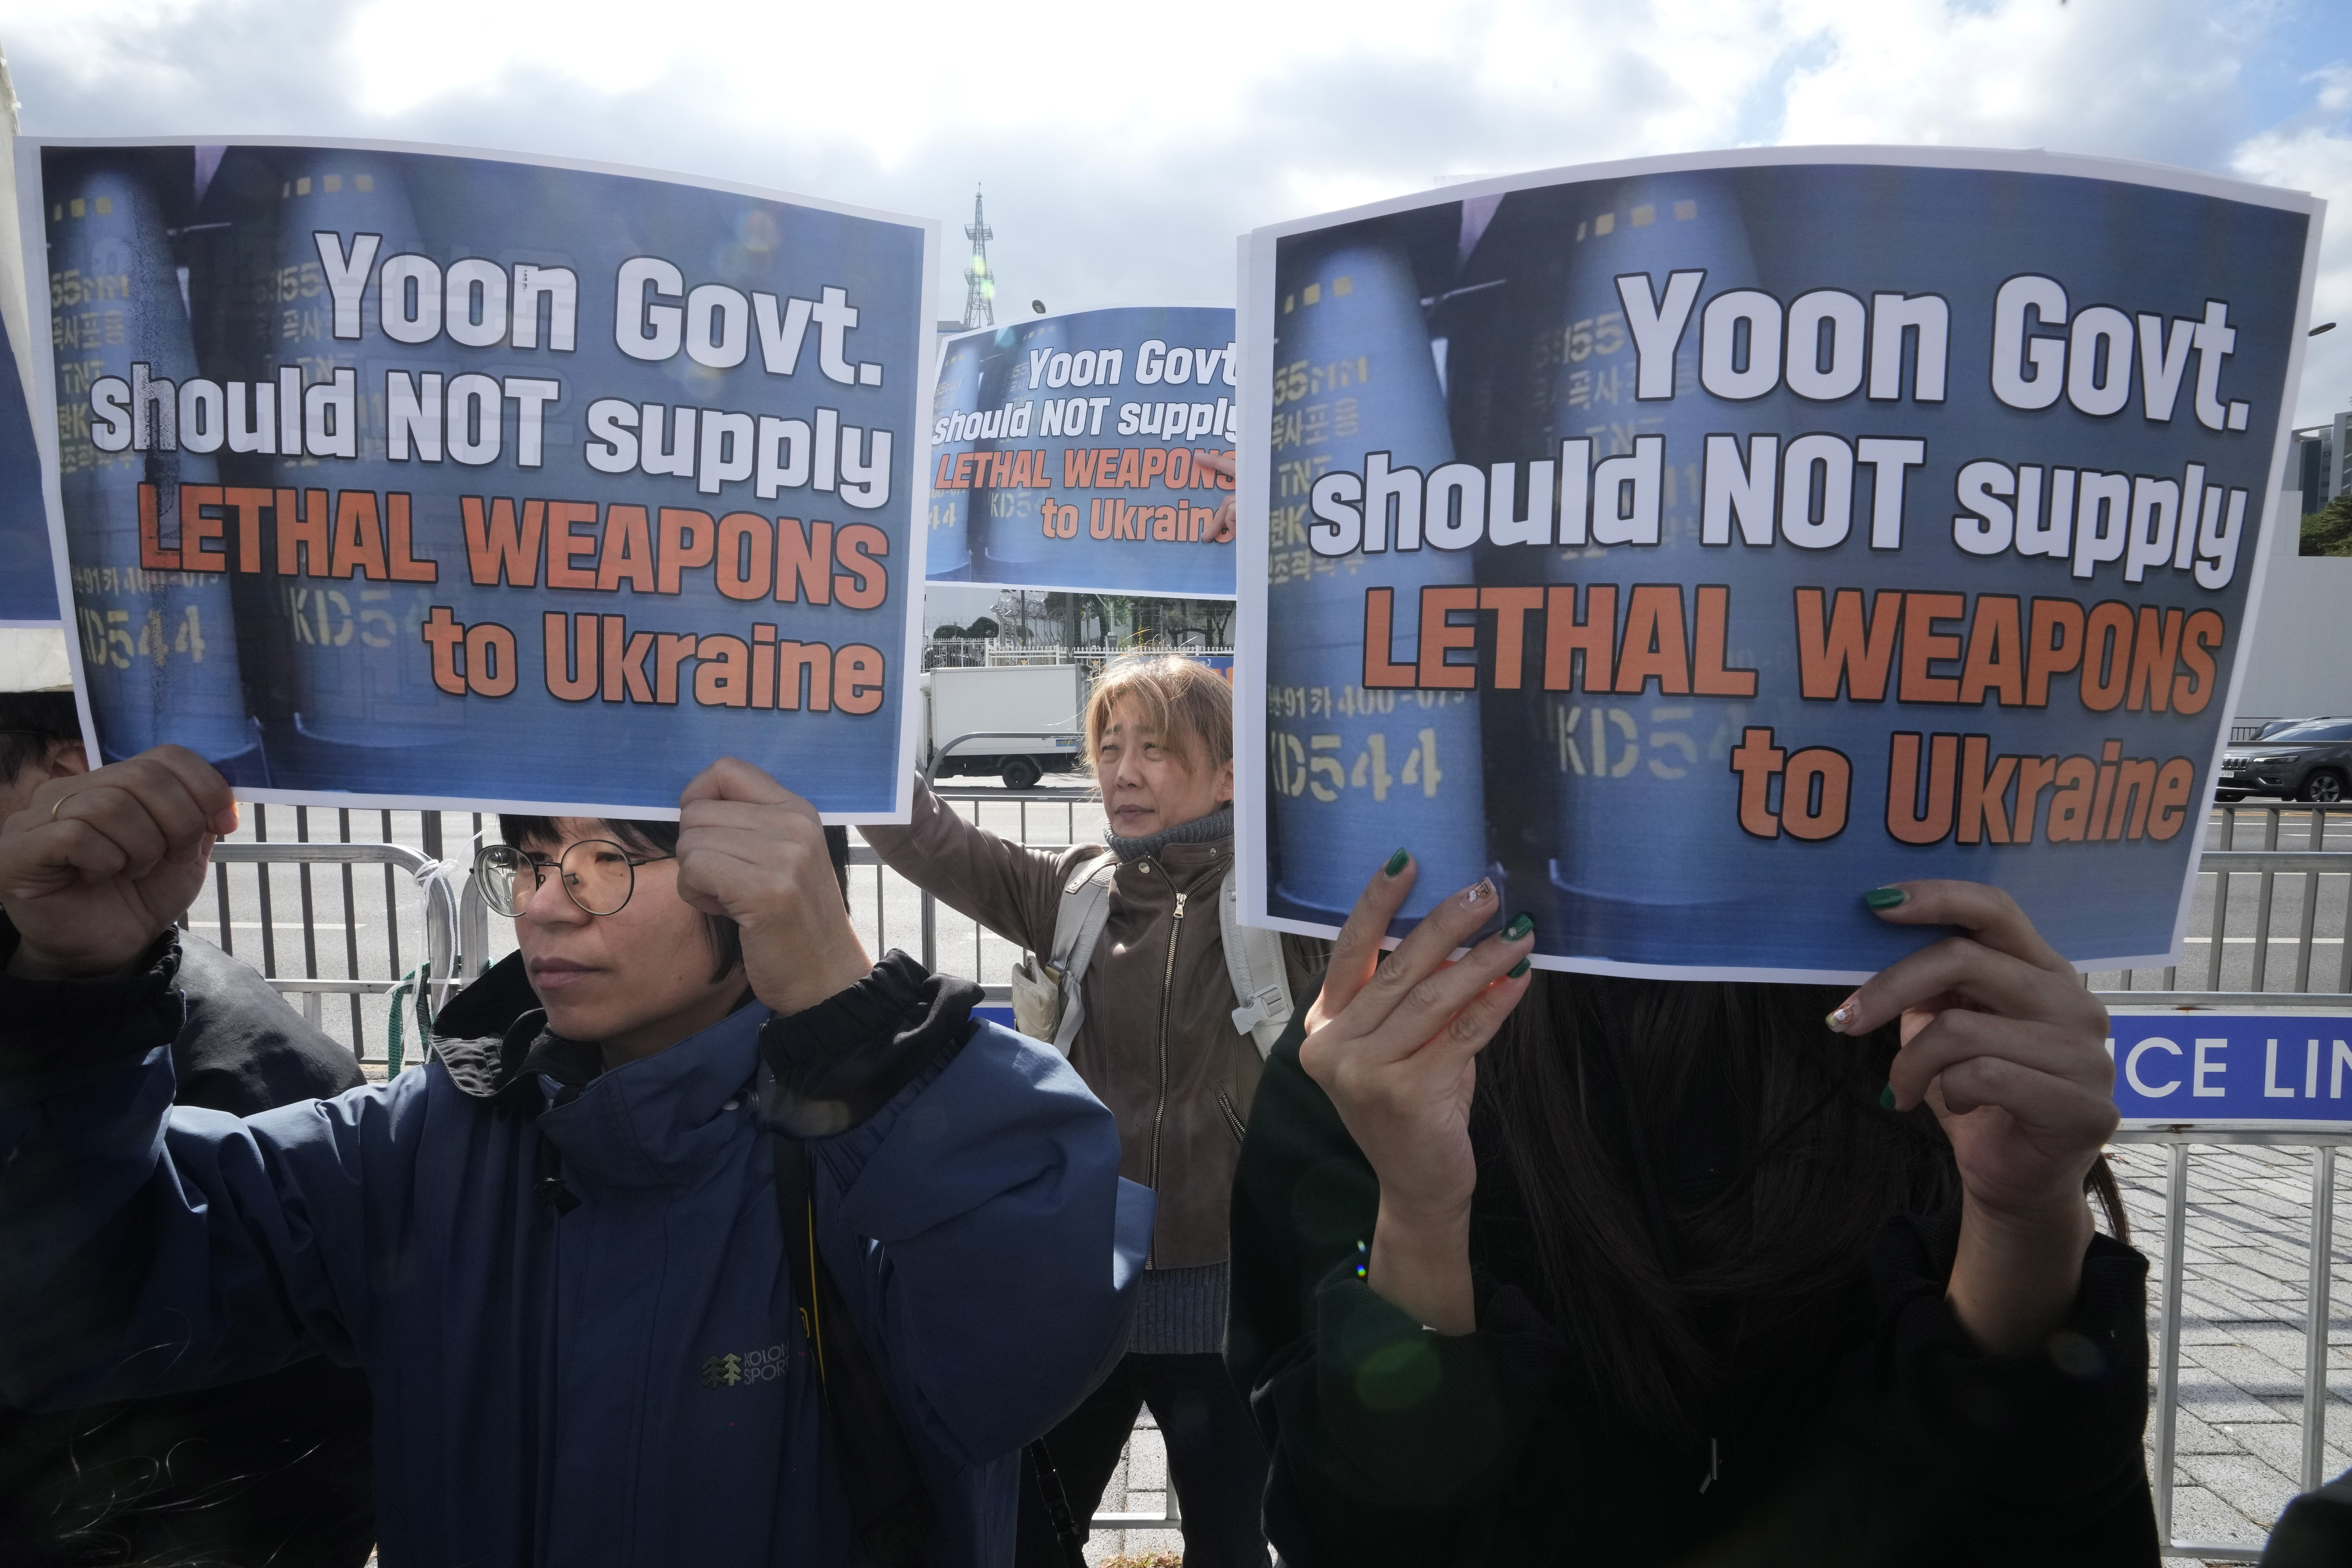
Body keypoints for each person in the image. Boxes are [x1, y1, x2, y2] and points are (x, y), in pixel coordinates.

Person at [0, 744, 1151, 1567]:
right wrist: (76, 998)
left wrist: (855, 1025)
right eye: (531, 858)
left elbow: (1029, 1351)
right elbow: (64, 1311)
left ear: (760, 872)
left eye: (605, 859)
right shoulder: (416, 1145)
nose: (547, 907)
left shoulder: (897, 1120)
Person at [1229, 853, 2160, 1565]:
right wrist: (1421, 1219)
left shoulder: (1935, 996)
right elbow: (1363, 1528)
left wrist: (2022, 1214)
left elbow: (2026, 1499)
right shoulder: (1379, 1049)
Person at [864, 653, 1321, 1568]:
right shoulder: (1076, 893)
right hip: (1083, 1291)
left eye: (1156, 747)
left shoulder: (1287, 901)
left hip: (1230, 1303)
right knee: (1029, 1535)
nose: (1124, 771)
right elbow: (935, 842)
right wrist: (851, 732)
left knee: (1230, 1546)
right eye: (1110, 747)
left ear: (1229, 775)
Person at [0, 692, 374, 1568]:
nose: (550, 903)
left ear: (67, 775)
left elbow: (293, 1463)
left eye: (598, 863)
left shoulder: (249, 1066)